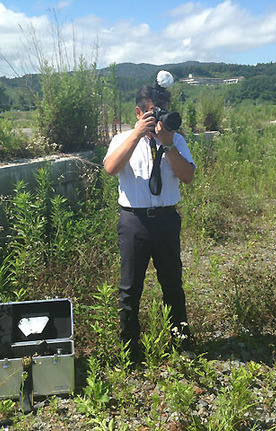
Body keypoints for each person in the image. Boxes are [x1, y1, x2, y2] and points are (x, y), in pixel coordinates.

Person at [103, 71, 196, 359]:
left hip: (167, 219)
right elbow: (111, 168)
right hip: (134, 221)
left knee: (172, 283)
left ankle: (181, 343)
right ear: (139, 112)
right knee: (130, 288)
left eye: (162, 112)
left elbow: (189, 176)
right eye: (153, 114)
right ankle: (130, 349)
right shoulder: (121, 138)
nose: (158, 119)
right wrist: (137, 135)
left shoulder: (175, 140)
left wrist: (167, 144)